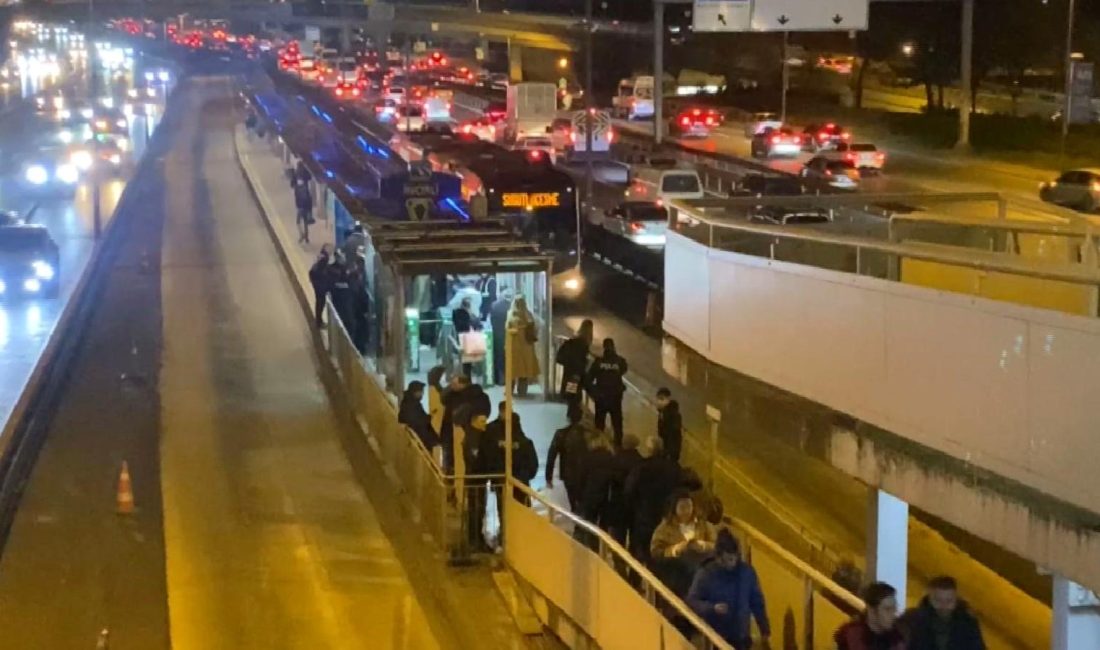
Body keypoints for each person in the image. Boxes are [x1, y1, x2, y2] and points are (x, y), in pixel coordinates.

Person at [687, 529, 770, 650]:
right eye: (728, 559)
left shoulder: (746, 573)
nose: (732, 563)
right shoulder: (706, 574)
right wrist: (712, 608)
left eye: (734, 558)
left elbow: (757, 602)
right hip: (715, 637)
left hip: (741, 636)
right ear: (718, 557)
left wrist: (764, 629)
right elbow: (692, 601)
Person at [478, 402, 539, 539]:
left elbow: (488, 455)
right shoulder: (525, 442)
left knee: (504, 508)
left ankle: (508, 535)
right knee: (520, 508)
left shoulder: (492, 431)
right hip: (518, 481)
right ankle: (519, 534)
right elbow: (532, 464)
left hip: (503, 479)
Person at [624, 436, 682, 562]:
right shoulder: (673, 469)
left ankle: (634, 580)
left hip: (643, 519)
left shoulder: (642, 468)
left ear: (649, 450)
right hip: (665, 520)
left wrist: (633, 510)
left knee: (638, 554)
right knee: (658, 555)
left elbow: (629, 490)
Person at [900, 576, 986, 650]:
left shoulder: (968, 623)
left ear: (956, 599)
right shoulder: (912, 621)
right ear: (929, 598)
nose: (944, 606)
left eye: (949, 601)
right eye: (938, 600)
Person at [834, 582, 905, 650]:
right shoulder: (851, 637)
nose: (893, 614)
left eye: (894, 609)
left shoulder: (897, 639)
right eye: (887, 609)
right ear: (871, 611)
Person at [546, 406, 591, 513]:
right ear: (581, 417)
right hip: (587, 473)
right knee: (584, 500)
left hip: (568, 473)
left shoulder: (561, 434)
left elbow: (551, 455)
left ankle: (576, 519)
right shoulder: (589, 434)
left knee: (573, 500)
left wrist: (549, 477)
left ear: (568, 417)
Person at [586, 337, 628, 446]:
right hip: (615, 398)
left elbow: (589, 378)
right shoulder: (620, 361)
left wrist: (593, 392)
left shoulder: (598, 362)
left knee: (599, 424)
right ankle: (618, 445)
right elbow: (623, 370)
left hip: (601, 398)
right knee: (617, 424)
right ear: (613, 347)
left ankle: (599, 444)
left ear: (603, 347)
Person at [607, 433, 644, 545]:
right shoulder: (641, 461)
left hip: (617, 502)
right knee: (634, 534)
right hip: (635, 504)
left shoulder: (615, 459)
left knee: (618, 535)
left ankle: (618, 560)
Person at [576, 433, 617, 532]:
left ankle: (592, 544)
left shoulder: (587, 457)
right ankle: (602, 544)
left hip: (590, 493)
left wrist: (579, 496)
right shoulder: (611, 456)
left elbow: (581, 477)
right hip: (606, 494)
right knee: (604, 524)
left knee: (590, 522)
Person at [506, 294, 540, 397]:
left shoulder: (511, 314)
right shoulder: (529, 315)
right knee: (524, 371)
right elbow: (536, 328)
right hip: (526, 347)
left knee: (512, 370)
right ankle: (522, 391)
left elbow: (507, 329)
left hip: (514, 346)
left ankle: (510, 391)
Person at [555, 319, 593, 409]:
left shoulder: (574, 341)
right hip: (575, 374)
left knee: (571, 395)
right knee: (573, 397)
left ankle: (571, 412)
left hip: (570, 371)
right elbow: (581, 359)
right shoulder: (583, 344)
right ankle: (572, 415)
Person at [440, 375, 472, 473]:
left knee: (461, 456)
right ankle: (448, 472)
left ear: (463, 385)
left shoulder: (469, 396)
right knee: (447, 454)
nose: (452, 386)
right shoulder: (451, 393)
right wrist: (450, 387)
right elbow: (443, 398)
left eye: (455, 384)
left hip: (462, 431)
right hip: (448, 429)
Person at [399, 380, 438, 452]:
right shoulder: (411, 405)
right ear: (414, 392)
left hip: (419, 439)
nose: (422, 394)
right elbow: (416, 422)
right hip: (419, 440)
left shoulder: (410, 402)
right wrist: (429, 417)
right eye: (420, 392)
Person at [489, 287, 512, 386]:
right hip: (509, 335)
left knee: (498, 357)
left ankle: (499, 379)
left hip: (497, 335)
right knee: (508, 358)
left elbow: (491, 320)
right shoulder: (511, 307)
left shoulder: (494, 305)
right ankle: (508, 378)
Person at [453, 297, 480, 379]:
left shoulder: (455, 312)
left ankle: (465, 375)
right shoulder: (467, 315)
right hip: (468, 340)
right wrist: (471, 315)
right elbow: (474, 325)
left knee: (463, 360)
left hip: (460, 338)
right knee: (467, 362)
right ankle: (467, 377)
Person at [328, 252, 355, 337]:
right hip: (340, 300)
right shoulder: (333, 269)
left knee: (348, 321)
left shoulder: (348, 268)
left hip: (346, 300)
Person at [656, 387, 683, 463]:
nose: (659, 402)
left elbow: (673, 434)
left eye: (662, 399)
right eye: (658, 399)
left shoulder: (672, 415)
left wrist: (668, 453)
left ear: (668, 399)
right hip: (666, 450)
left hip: (670, 452)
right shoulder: (663, 412)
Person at [308, 246, 331, 327]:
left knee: (320, 303)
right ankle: (319, 322)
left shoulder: (317, 264)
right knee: (320, 304)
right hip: (320, 288)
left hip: (319, 287)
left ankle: (319, 320)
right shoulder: (322, 264)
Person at [293, 175, 314, 244]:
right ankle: (307, 238)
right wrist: (309, 210)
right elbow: (309, 199)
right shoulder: (306, 188)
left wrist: (298, 206)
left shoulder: (297, 188)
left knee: (298, 222)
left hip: (301, 208)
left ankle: (301, 234)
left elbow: (297, 198)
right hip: (306, 208)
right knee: (305, 223)